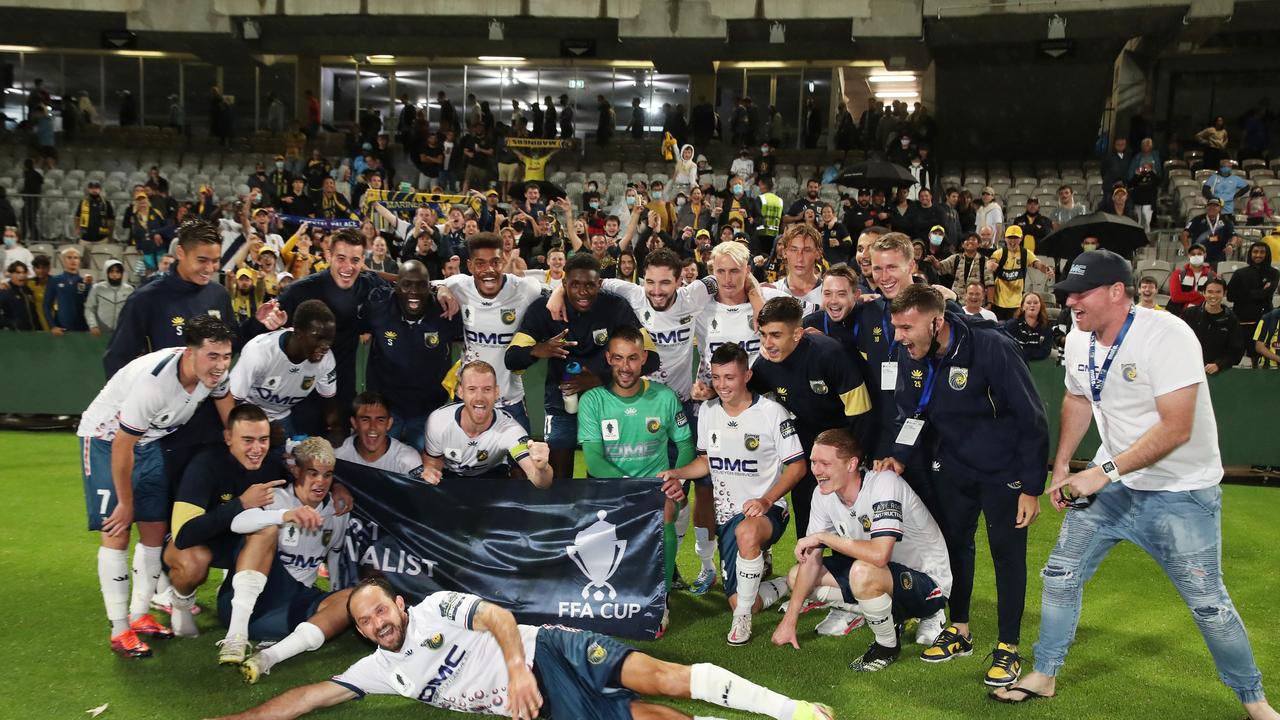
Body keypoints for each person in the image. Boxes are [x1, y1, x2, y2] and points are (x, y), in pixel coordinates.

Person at [993, 251, 1280, 720]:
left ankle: (1255, 701)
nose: (1071, 305)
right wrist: (1062, 465)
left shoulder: (1167, 334)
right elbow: (1076, 397)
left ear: (1117, 293)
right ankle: (1044, 674)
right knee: (1061, 574)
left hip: (1180, 490)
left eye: (1081, 294)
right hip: (1115, 487)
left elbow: (1176, 428)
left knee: (1208, 603)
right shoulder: (1080, 339)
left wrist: (1099, 473)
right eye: (1067, 296)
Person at [214, 577, 835, 720]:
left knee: (660, 677)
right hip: (544, 708)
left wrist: (516, 670)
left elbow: (499, 615)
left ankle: (795, 711)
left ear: (398, 606)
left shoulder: (431, 608)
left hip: (551, 653)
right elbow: (307, 696)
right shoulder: (379, 670)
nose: (378, 620)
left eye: (381, 608)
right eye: (365, 619)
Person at [879, 283, 1048, 688]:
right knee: (955, 547)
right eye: (895, 327)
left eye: (906, 327)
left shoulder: (991, 347)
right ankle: (960, 629)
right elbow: (911, 411)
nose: (898, 337)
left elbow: (1032, 418)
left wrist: (1031, 487)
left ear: (936, 321)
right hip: (952, 468)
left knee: (1007, 555)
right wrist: (899, 454)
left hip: (1003, 471)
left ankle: (1008, 647)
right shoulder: (910, 353)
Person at [77, 315, 235, 657]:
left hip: (149, 443)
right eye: (213, 356)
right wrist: (124, 501)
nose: (221, 365)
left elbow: (226, 401)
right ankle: (119, 629)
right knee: (118, 529)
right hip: (107, 441)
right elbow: (122, 445)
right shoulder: (154, 384)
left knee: (154, 529)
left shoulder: (213, 374)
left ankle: (140, 615)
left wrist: (236, 437)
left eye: (226, 356)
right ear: (190, 353)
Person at [773, 429, 951, 673]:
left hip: (928, 582)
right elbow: (811, 561)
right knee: (798, 577)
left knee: (862, 571)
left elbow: (880, 554)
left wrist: (824, 537)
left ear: (851, 464)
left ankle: (886, 645)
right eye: (814, 462)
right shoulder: (822, 495)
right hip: (881, 575)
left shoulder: (884, 482)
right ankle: (877, 611)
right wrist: (789, 622)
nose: (816, 470)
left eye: (825, 463)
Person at [661, 343, 803, 644]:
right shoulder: (709, 412)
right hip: (726, 517)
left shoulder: (772, 413)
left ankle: (742, 621)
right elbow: (705, 461)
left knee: (748, 533)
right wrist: (678, 473)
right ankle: (786, 584)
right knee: (740, 599)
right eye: (716, 377)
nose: (721, 385)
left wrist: (767, 500)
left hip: (767, 511)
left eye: (729, 377)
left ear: (747, 375)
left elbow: (797, 467)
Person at [578, 326, 695, 633]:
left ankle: (662, 597)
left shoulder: (665, 397)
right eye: (618, 358)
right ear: (608, 358)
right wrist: (634, 491)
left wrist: (676, 479)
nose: (625, 367)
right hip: (610, 490)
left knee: (667, 511)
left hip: (655, 489)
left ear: (644, 358)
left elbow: (684, 446)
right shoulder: (593, 401)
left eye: (632, 358)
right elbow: (593, 460)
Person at [506, 252, 657, 480]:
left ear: (599, 284)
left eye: (590, 285)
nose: (583, 291)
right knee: (557, 474)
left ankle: (599, 515)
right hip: (559, 400)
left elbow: (651, 358)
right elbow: (512, 358)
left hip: (606, 401)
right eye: (575, 285)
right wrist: (538, 349)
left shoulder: (615, 307)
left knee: (601, 476)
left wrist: (601, 378)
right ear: (564, 284)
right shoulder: (544, 310)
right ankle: (561, 513)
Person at [163, 404, 289, 663]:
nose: (257, 449)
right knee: (193, 562)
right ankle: (181, 603)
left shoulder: (272, 464)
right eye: (248, 440)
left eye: (263, 440)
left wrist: (340, 489)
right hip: (200, 542)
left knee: (267, 529)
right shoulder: (205, 465)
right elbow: (185, 534)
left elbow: (310, 477)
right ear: (228, 438)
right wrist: (241, 503)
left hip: (241, 546)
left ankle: (236, 636)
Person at [748, 296, 872, 542]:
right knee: (805, 508)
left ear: (797, 334)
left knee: (848, 514)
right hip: (807, 443)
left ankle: (848, 571)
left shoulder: (828, 354)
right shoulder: (766, 364)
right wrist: (710, 391)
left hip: (845, 441)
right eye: (763, 335)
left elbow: (861, 412)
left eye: (775, 335)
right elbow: (745, 394)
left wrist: (855, 460)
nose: (768, 343)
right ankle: (808, 565)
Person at [233, 437, 355, 684]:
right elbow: (237, 524)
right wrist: (283, 516)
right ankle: (235, 638)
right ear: (296, 471)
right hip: (252, 600)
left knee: (352, 596)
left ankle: (269, 657)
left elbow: (334, 555)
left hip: (291, 608)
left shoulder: (337, 511)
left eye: (327, 475)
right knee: (265, 530)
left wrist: (332, 597)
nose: (320, 482)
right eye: (313, 473)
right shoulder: (276, 499)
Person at [435, 234, 546, 429]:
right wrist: (442, 289)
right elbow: (432, 283)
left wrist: (560, 293)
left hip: (510, 400)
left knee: (520, 457)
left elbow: (559, 289)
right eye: (480, 264)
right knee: (465, 456)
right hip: (470, 398)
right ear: (470, 266)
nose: (489, 270)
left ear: (503, 260)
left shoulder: (525, 289)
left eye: (495, 262)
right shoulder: (459, 285)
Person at [356, 260, 460, 452]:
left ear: (429, 287)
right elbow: (362, 277)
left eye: (421, 285)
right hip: (386, 409)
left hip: (427, 410)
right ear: (396, 286)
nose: (414, 291)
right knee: (377, 462)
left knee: (422, 469)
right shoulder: (378, 306)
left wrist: (442, 287)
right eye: (406, 284)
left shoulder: (445, 312)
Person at [423, 360, 553, 487]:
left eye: (487, 389)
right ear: (461, 392)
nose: (479, 398)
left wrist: (542, 468)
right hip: (450, 477)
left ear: (496, 392)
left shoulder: (510, 430)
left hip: (493, 476)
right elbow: (432, 460)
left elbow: (541, 482)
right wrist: (431, 471)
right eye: (472, 389)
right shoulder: (438, 421)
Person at [229, 299, 340, 441]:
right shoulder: (259, 352)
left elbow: (329, 400)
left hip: (281, 418)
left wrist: (336, 428)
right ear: (298, 332)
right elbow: (231, 402)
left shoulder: (326, 360)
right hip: (245, 415)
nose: (325, 346)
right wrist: (261, 429)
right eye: (318, 338)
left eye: (329, 339)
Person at [986, 226, 1055, 320]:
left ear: (1021, 239)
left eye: (1016, 238)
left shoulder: (1025, 253)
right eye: (1010, 238)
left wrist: (1047, 269)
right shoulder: (999, 253)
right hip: (999, 302)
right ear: (1005, 238)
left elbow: (1038, 264)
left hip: (1017, 303)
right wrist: (990, 265)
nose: (1013, 241)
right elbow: (991, 262)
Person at [1227, 242, 1277, 365]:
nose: (1258, 255)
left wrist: (1245, 294)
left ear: (1267, 254)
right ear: (1250, 253)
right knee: (1236, 355)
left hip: (1263, 321)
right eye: (1255, 252)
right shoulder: (1239, 273)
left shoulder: (1274, 273)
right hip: (1242, 320)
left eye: (1262, 252)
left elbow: (1267, 294)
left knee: (1258, 357)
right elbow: (1230, 296)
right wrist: (1260, 291)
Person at [1181, 278, 1245, 375]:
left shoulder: (1232, 320)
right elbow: (1180, 342)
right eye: (1210, 292)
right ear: (1203, 293)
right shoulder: (1189, 314)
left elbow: (1236, 352)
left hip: (1219, 374)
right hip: (1190, 370)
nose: (1213, 296)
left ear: (1224, 293)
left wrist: (1219, 365)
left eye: (1218, 292)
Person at [44, 246, 91, 334]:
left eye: (76, 258)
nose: (73, 260)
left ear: (79, 261)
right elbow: (46, 305)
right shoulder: (55, 280)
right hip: (61, 329)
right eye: (69, 257)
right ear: (63, 260)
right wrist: (53, 326)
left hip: (82, 328)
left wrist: (89, 285)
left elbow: (91, 305)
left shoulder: (84, 281)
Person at [1181, 197, 1238, 263]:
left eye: (1215, 206)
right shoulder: (1197, 219)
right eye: (1210, 205)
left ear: (1220, 208)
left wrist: (1231, 245)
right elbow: (1184, 234)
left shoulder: (1226, 220)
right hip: (1199, 255)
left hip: (1219, 256)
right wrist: (1187, 247)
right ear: (1206, 207)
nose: (1212, 208)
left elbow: (1234, 236)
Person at [85, 259, 133, 336]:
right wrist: (93, 325)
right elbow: (89, 308)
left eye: (118, 272)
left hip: (121, 332)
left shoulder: (129, 289)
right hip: (100, 332)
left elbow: (132, 311)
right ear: (106, 273)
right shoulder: (97, 288)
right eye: (111, 271)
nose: (114, 274)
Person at [1004, 291, 1054, 362]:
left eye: (1036, 303)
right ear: (1022, 306)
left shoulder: (1046, 327)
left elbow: (1045, 351)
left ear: (1040, 306)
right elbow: (1009, 349)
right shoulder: (1011, 325)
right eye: (1028, 303)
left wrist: (1023, 352)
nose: (1032, 305)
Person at [1168, 243, 1216, 316]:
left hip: (1204, 314)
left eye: (1199, 254)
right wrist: (1199, 294)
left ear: (1205, 255)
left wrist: (1189, 298)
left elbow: (1213, 296)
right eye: (1193, 254)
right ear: (1189, 256)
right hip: (1179, 314)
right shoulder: (1178, 274)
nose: (1196, 256)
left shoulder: (1212, 275)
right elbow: (1175, 297)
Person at [0, 260, 40, 330]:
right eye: (18, 273)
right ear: (10, 274)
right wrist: (11, 324)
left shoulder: (28, 290)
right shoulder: (5, 291)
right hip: (14, 336)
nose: (22, 275)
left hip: (32, 333)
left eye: (24, 272)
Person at [75, 180, 115, 244]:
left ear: (100, 189)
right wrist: (77, 228)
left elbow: (111, 220)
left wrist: (110, 235)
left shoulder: (106, 203)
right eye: (92, 188)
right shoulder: (83, 203)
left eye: (96, 188)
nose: (94, 190)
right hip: (85, 238)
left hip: (102, 239)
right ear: (88, 189)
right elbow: (77, 217)